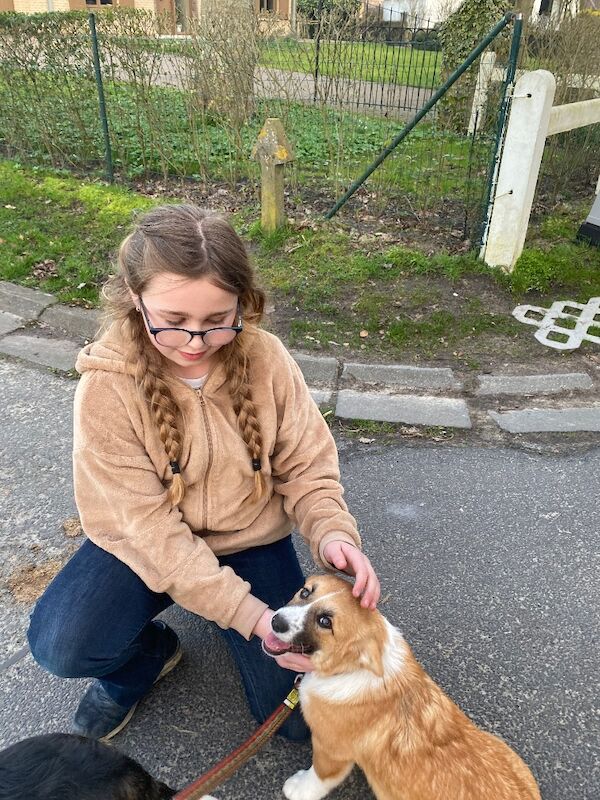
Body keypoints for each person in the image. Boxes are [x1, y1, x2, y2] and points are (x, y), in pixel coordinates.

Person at [27, 204, 380, 743]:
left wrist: (331, 530)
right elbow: (149, 531)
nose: (195, 343)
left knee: (300, 726)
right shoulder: (105, 387)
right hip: (145, 545)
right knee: (63, 644)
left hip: (249, 539)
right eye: (173, 323)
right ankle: (146, 660)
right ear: (133, 298)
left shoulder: (266, 358)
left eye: (217, 322)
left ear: (244, 302)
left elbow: (306, 462)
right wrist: (253, 617)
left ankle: (222, 616)